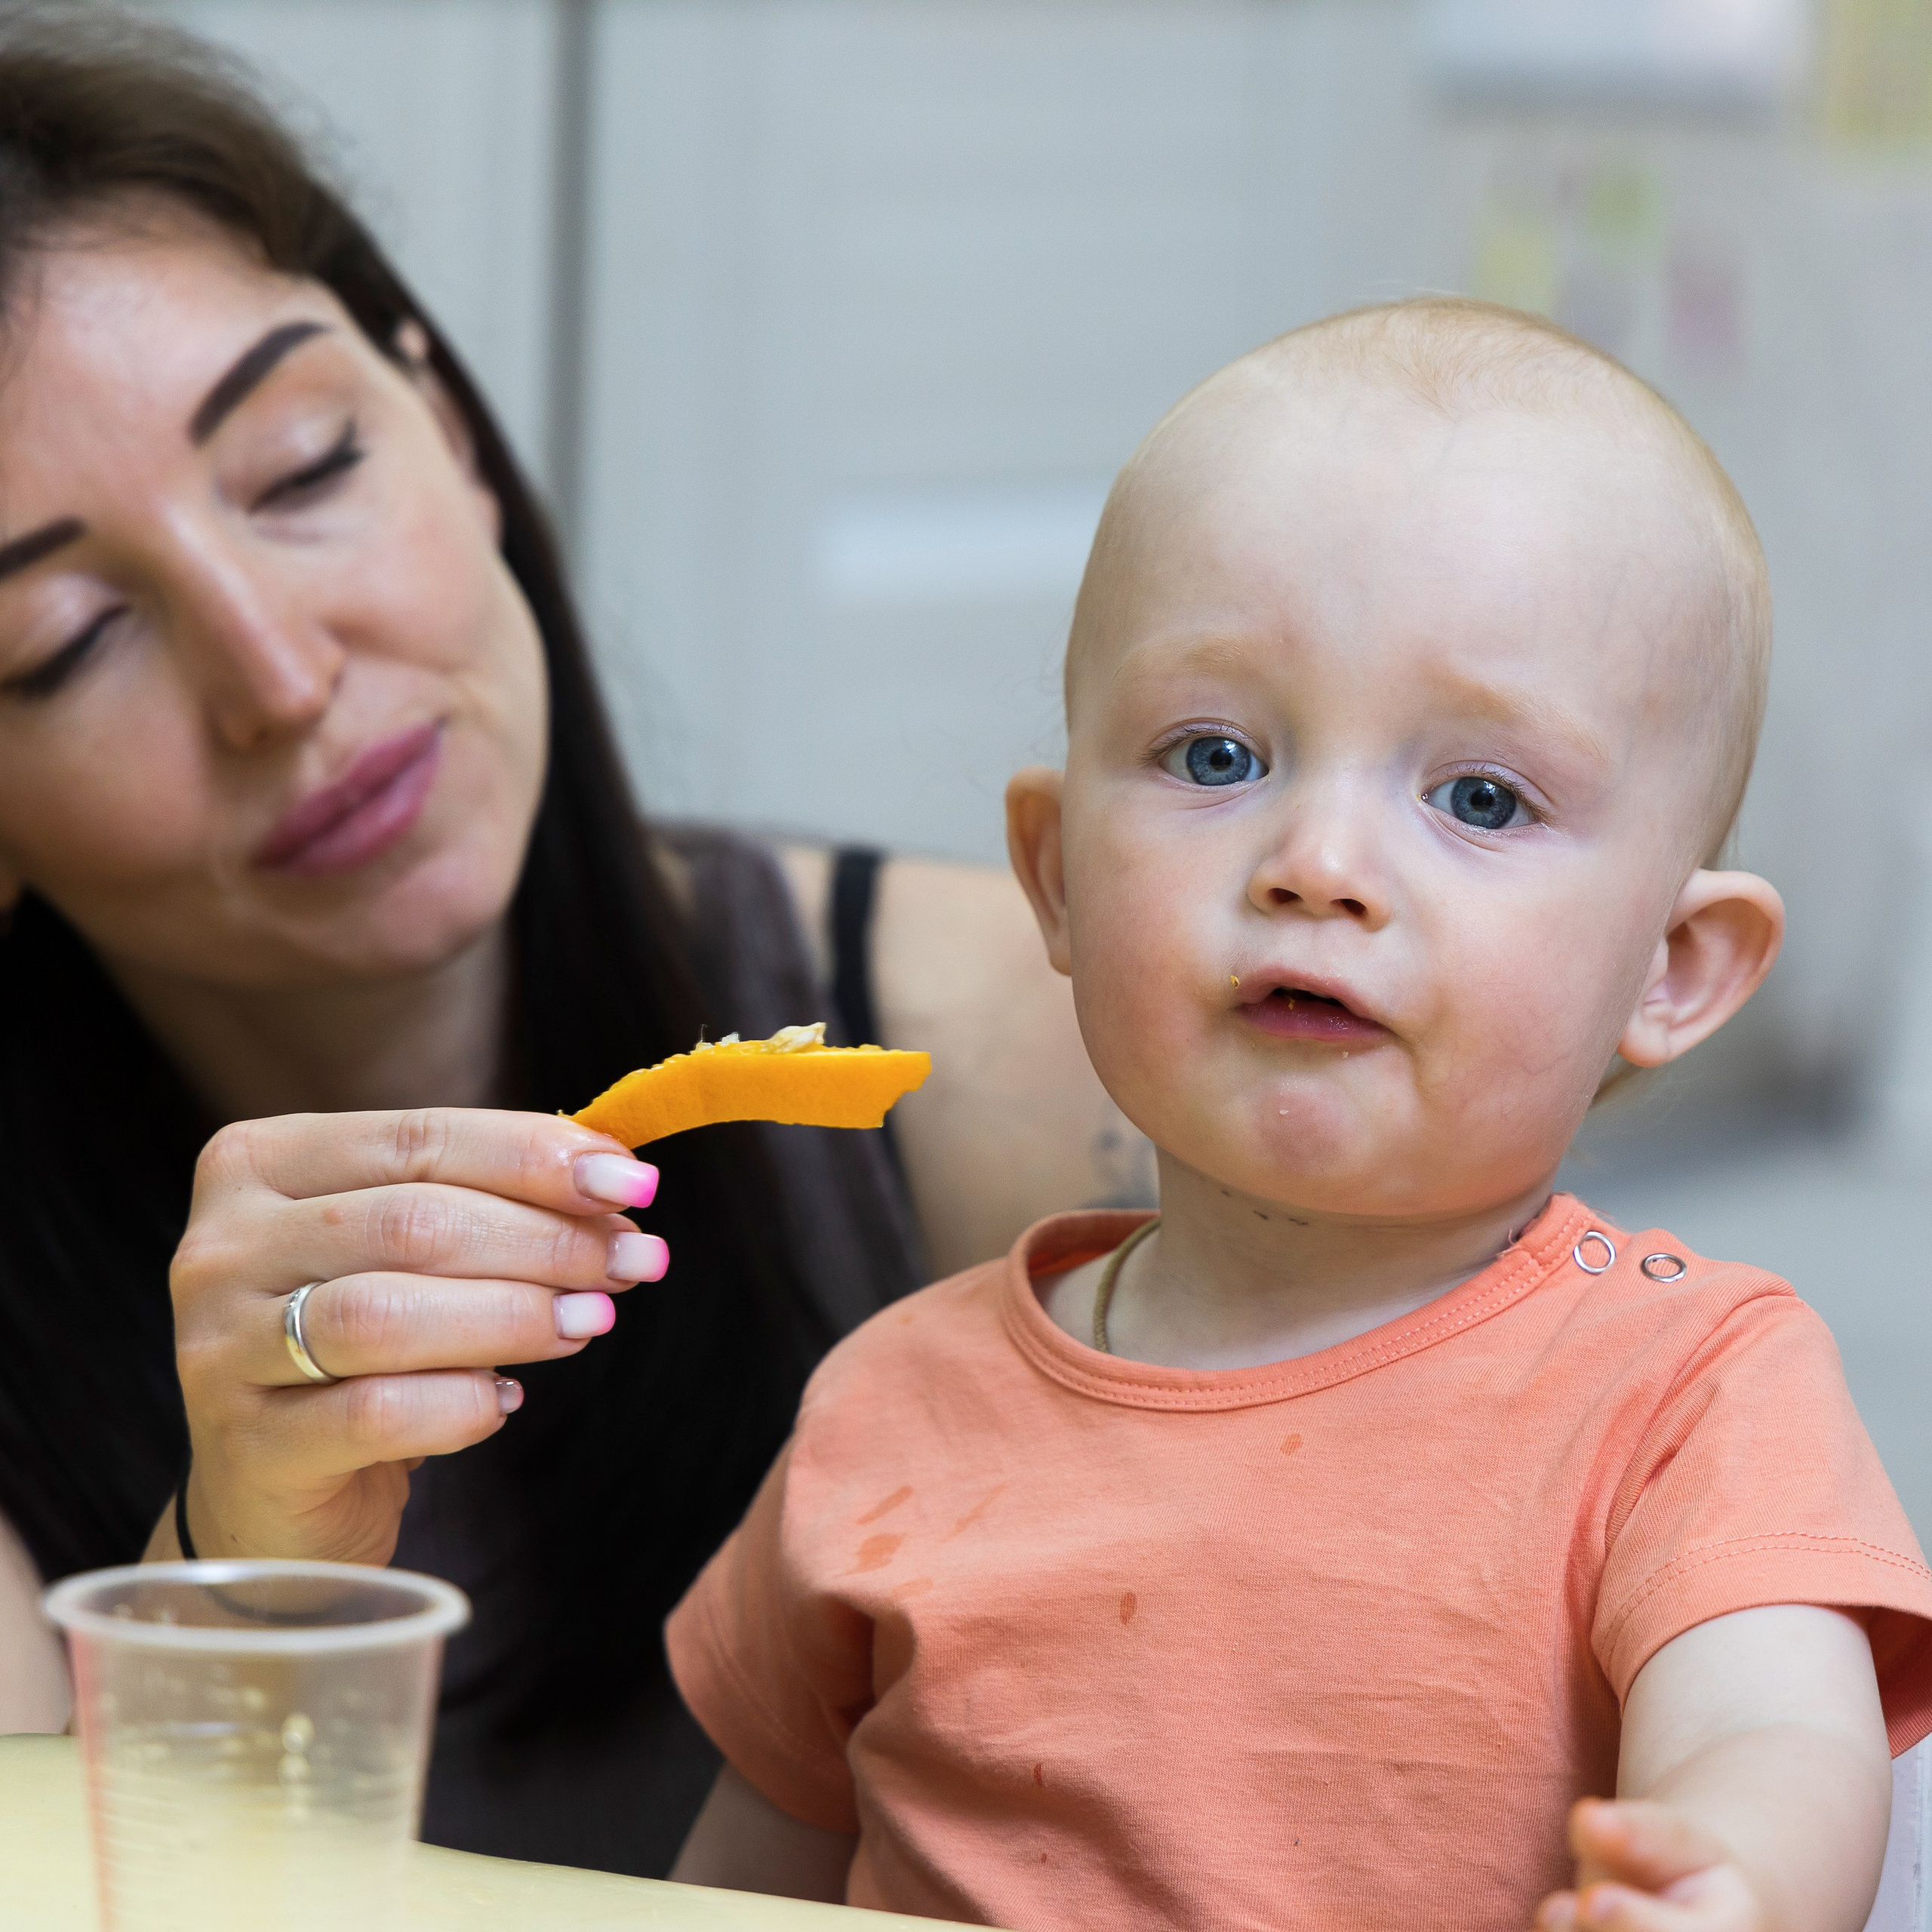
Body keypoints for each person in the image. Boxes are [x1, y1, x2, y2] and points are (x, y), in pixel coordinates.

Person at [0, 13, 1150, 1878]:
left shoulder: (1036, 1061)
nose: (281, 678)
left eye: (300, 468)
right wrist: (246, 1550)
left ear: (443, 422)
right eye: (64, 639)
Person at [661, 300, 1932, 1930]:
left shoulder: (1693, 1384)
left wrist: (1727, 1877)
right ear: (1052, 874)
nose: (1314, 859)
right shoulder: (887, 1412)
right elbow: (731, 1887)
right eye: (1214, 754)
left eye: (1477, 796)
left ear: (1672, 967)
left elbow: (1771, 1726)